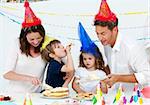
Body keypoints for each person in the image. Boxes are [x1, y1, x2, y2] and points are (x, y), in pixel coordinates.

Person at [94, 0, 150, 90]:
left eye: (103, 33)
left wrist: (118, 78)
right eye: (97, 34)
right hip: (116, 96)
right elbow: (113, 64)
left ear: (115, 29)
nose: (100, 38)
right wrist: (100, 71)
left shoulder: (131, 47)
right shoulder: (106, 44)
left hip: (134, 98)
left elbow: (147, 75)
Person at [3, 1, 46, 93]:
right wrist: (28, 78)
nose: (36, 42)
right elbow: (7, 74)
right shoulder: (16, 44)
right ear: (25, 37)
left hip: (36, 97)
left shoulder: (46, 46)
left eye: (39, 38)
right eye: (31, 39)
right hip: (15, 95)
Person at [72, 22, 110, 94]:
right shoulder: (80, 71)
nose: (87, 61)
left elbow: (105, 91)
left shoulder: (101, 74)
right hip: (82, 98)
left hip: (96, 99)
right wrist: (81, 92)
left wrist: (103, 86)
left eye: (90, 59)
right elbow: (74, 85)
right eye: (84, 59)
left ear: (96, 59)